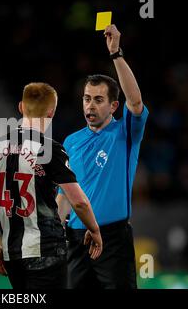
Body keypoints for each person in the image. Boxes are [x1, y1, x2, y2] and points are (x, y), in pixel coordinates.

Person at [0, 82, 103, 289]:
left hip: (11, 253)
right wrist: (94, 229)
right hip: (46, 249)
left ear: (21, 107)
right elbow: (78, 202)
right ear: (51, 112)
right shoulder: (50, 150)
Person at [56, 24, 149, 289]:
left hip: (113, 239)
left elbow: (136, 102)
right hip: (75, 240)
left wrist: (116, 54)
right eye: (87, 98)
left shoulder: (125, 133)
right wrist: (57, 224)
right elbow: (65, 193)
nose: (90, 105)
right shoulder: (71, 141)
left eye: (98, 99)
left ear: (113, 106)